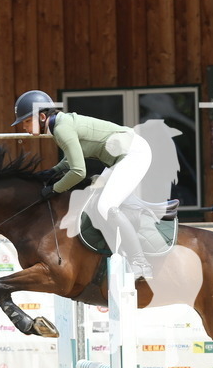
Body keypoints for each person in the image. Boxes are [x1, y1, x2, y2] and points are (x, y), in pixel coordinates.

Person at [11, 89, 155, 280]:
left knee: (106, 206)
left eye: (27, 121)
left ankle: (140, 263)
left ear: (43, 116)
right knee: (94, 202)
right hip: (123, 156)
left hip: (133, 154)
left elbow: (79, 171)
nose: (24, 127)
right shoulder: (60, 125)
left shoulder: (62, 128)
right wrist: (54, 171)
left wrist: (54, 189)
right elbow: (73, 159)